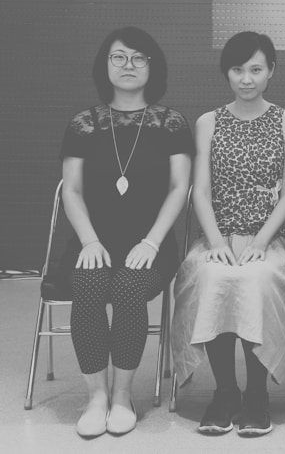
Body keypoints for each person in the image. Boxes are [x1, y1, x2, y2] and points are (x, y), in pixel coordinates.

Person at [171, 31, 285, 437]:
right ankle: (226, 391)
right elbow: (201, 191)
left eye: (256, 69)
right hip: (217, 235)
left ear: (270, 72)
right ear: (226, 73)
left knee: (255, 279)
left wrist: (261, 242)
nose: (246, 78)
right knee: (213, 277)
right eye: (237, 69)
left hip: (272, 239)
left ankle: (256, 395)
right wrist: (215, 243)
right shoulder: (208, 122)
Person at [59, 26, 193, 437]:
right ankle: (96, 396)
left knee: (130, 289)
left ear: (152, 67)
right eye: (119, 57)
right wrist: (89, 240)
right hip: (92, 242)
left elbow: (178, 189)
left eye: (139, 58)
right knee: (88, 284)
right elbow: (73, 191)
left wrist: (151, 241)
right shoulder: (84, 123)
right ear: (106, 66)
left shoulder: (171, 123)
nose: (129, 65)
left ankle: (121, 396)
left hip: (150, 245)